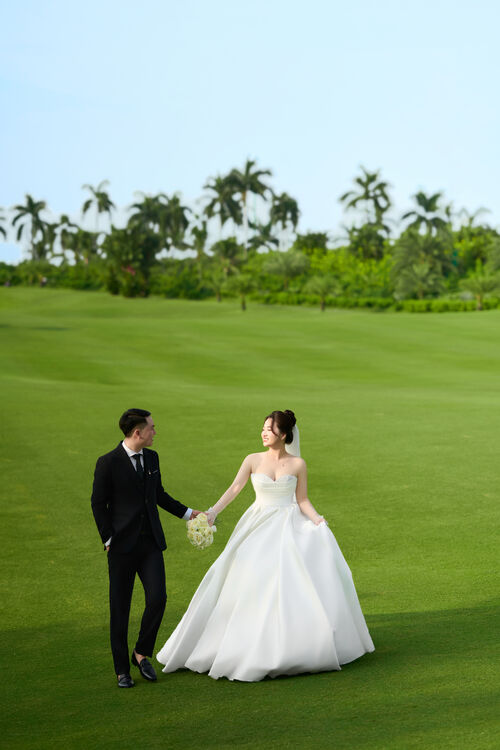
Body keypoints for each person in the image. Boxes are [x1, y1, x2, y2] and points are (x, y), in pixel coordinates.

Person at [156, 409, 374, 682]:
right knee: (247, 577)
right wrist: (211, 513)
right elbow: (235, 488)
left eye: (270, 429)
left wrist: (318, 520)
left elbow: (302, 500)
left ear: (284, 434)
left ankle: (288, 645)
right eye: (263, 428)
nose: (264, 433)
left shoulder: (298, 464)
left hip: (287, 525)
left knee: (287, 581)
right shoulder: (252, 459)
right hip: (257, 523)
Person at [91, 408, 201, 688]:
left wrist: (189, 514)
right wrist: (108, 539)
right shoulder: (108, 462)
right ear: (137, 432)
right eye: (151, 427)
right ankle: (122, 671)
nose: (155, 431)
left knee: (158, 598)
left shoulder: (152, 458)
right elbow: (98, 503)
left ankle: (140, 652)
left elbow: (158, 494)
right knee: (120, 608)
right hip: (121, 548)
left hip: (150, 543)